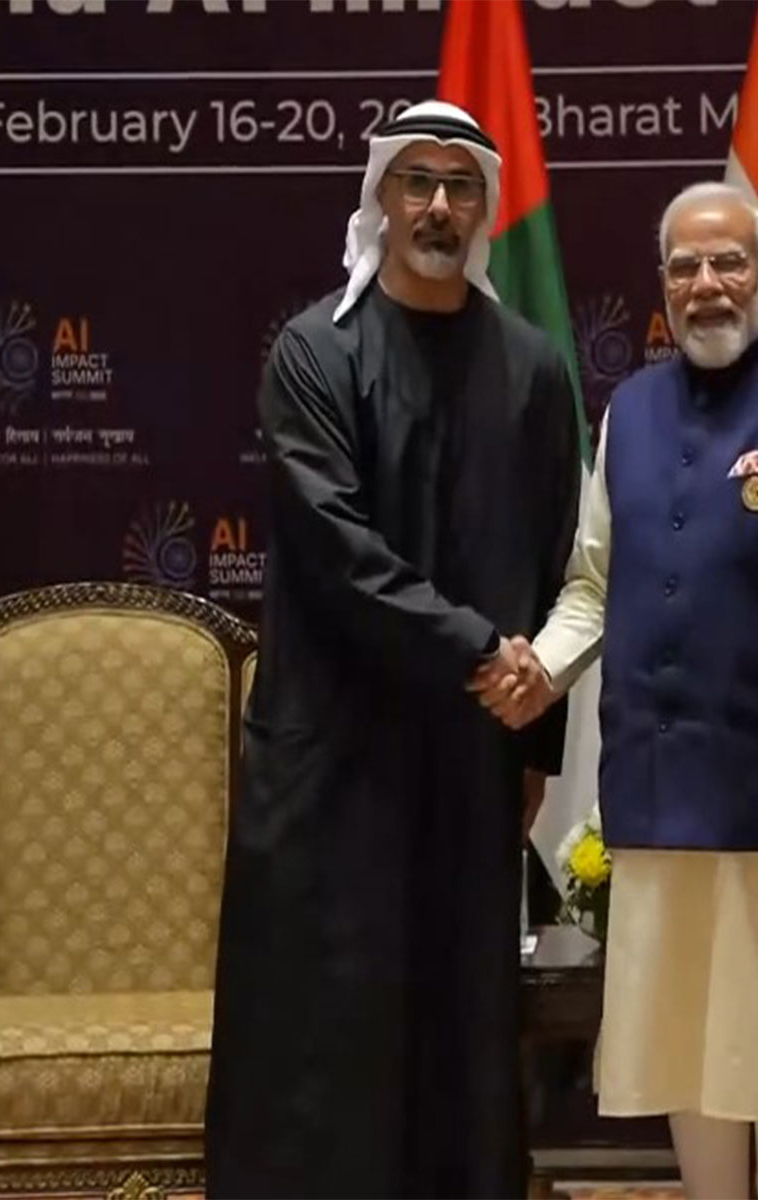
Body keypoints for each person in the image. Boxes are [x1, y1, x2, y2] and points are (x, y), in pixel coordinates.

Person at [475, 181, 758, 1200]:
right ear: (660, 287)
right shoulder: (629, 411)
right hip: (658, 797)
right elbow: (593, 583)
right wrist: (541, 666)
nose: (706, 285)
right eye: (684, 267)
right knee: (685, 1051)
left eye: (726, 263)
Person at [204, 100, 581, 1199]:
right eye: (416, 182)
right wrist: (486, 654)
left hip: (469, 760)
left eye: (461, 186)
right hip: (331, 755)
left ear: (485, 208)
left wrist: (537, 734)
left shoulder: (532, 369)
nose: (438, 206)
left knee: (457, 1029)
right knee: (323, 1035)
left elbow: (556, 556)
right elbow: (339, 554)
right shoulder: (315, 351)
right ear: (378, 198)